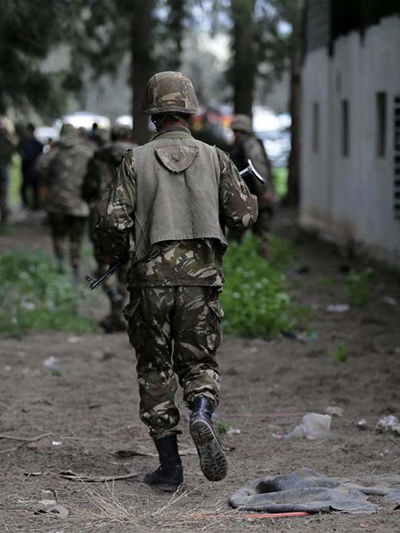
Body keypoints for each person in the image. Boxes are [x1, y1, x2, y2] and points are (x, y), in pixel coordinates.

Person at [94, 71, 258, 491]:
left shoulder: (134, 161)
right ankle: (201, 413)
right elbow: (243, 216)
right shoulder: (217, 158)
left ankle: (170, 468)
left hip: (149, 281)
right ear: (189, 111)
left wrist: (114, 253)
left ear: (154, 116)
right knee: (199, 363)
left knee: (154, 368)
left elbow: (112, 220)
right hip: (202, 282)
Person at [82, 123, 136, 332]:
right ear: (128, 135)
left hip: (103, 216)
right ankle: (118, 309)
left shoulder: (98, 156)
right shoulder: (139, 154)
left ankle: (113, 299)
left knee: (105, 264)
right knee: (124, 264)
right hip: (130, 215)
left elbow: (89, 186)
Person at [39, 123, 95, 276]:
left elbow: (40, 167)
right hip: (79, 205)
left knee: (59, 236)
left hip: (57, 204)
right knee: (76, 239)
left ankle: (60, 265)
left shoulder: (55, 151)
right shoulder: (88, 152)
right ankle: (75, 268)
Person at [228, 114, 275, 258]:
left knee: (261, 234)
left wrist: (264, 191)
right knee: (238, 233)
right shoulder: (242, 146)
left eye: (238, 131)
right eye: (235, 131)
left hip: (257, 196)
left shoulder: (250, 146)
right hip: (247, 196)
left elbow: (258, 170)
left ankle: (262, 264)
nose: (236, 134)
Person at [19, 123, 44, 210]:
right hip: (30, 170)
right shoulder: (30, 143)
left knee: (34, 189)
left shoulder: (32, 144)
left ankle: (33, 206)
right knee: (31, 189)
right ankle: (31, 205)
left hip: (32, 170)